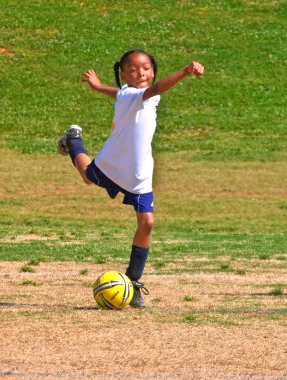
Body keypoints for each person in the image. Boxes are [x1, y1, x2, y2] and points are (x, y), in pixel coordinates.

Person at [58, 49, 204, 308]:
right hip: (115, 163)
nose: (141, 73)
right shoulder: (140, 93)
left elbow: (119, 93)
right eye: (134, 70)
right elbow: (155, 88)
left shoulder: (130, 94)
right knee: (87, 177)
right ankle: (72, 141)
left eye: (146, 68)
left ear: (153, 70)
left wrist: (98, 87)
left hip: (139, 174)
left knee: (146, 223)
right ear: (123, 74)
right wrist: (183, 72)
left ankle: (133, 282)